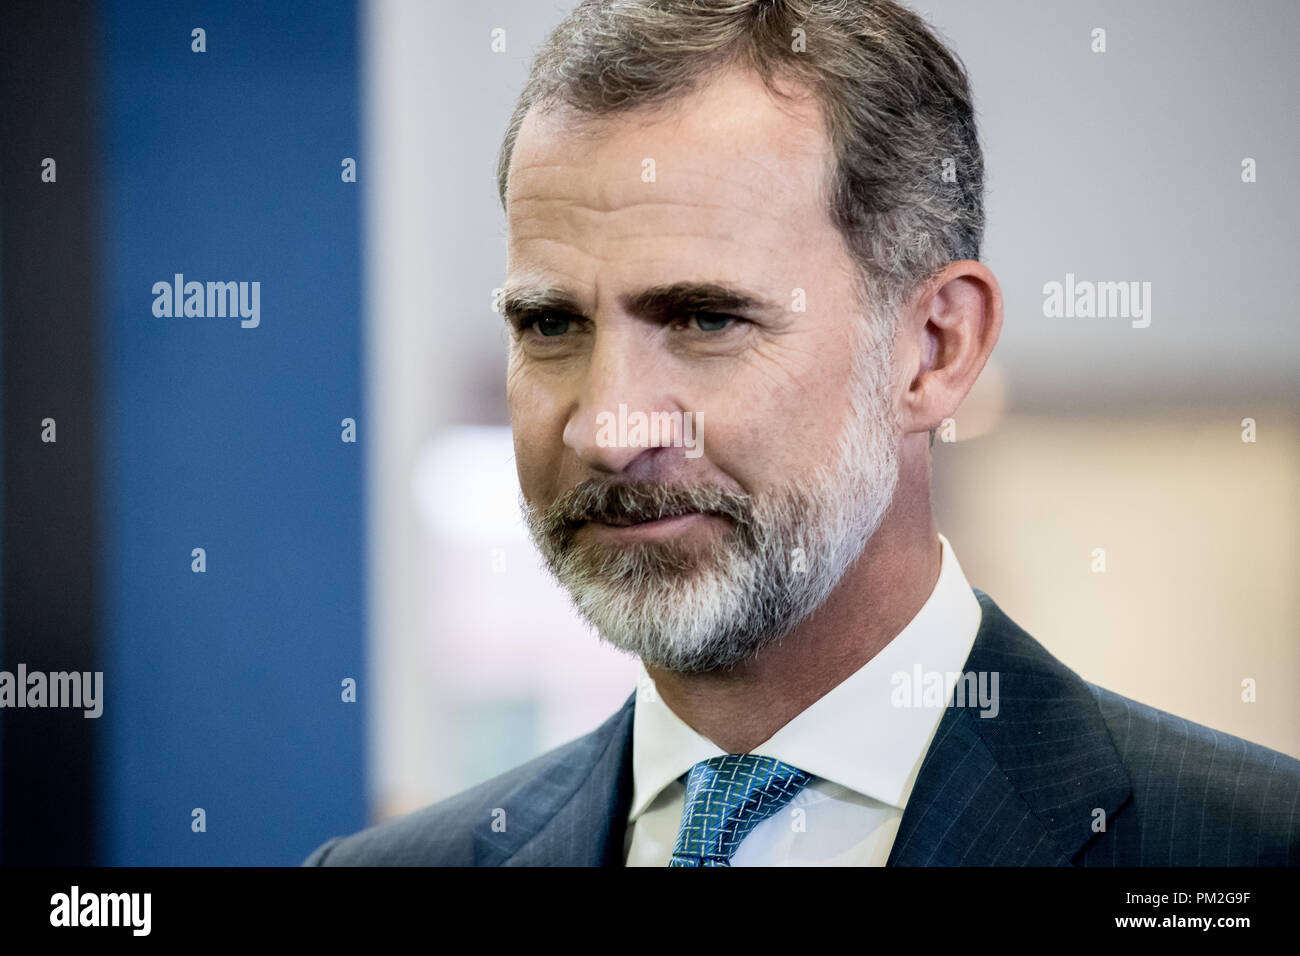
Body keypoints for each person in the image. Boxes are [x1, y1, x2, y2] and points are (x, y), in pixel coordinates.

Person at [305, 0, 1299, 866]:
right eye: (550, 324)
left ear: (933, 348)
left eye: (704, 319)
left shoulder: (1242, 845)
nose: (610, 430)